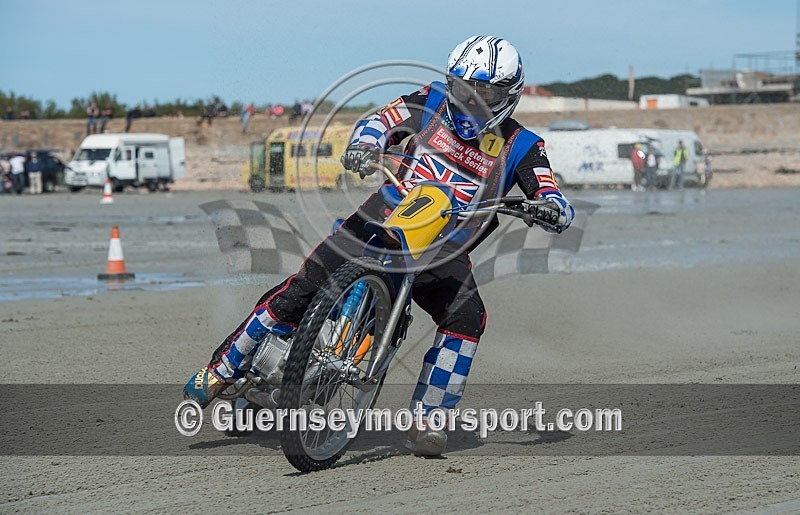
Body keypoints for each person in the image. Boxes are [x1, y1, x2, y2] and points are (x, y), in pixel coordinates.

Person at [183, 35, 575, 456]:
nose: (470, 101)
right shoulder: (430, 101)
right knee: (303, 286)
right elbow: (380, 121)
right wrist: (364, 146)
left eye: (484, 93)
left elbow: (551, 192)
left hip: (444, 253)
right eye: (463, 89)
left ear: (507, 95)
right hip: (381, 217)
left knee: (467, 317)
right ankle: (220, 370)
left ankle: (429, 419)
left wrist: (550, 208)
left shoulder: (522, 145)